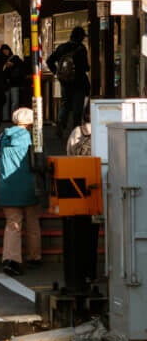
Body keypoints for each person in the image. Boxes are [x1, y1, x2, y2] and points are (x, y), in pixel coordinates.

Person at [0, 106, 42, 276]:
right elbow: (39, 161)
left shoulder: (2, 136)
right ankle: (34, 256)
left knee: (13, 225)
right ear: (30, 122)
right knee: (32, 222)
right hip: (29, 186)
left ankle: (11, 260)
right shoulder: (33, 138)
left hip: (8, 187)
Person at [63, 105, 100, 292]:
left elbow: (69, 155)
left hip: (77, 189)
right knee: (93, 235)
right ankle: (91, 272)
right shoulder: (104, 132)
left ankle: (78, 273)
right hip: (97, 188)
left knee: (78, 233)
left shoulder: (78, 132)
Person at [45, 26, 90, 140]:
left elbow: (49, 61)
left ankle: (61, 123)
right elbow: (85, 67)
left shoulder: (61, 48)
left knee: (65, 104)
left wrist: (57, 73)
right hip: (79, 82)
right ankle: (75, 130)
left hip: (65, 82)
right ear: (80, 37)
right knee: (77, 107)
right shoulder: (81, 49)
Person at [0, 44, 25, 123]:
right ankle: (6, 118)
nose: (5, 52)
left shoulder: (15, 58)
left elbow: (21, 67)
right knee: (7, 101)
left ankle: (13, 118)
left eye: (6, 50)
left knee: (13, 101)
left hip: (14, 83)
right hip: (6, 83)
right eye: (3, 51)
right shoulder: (1, 60)